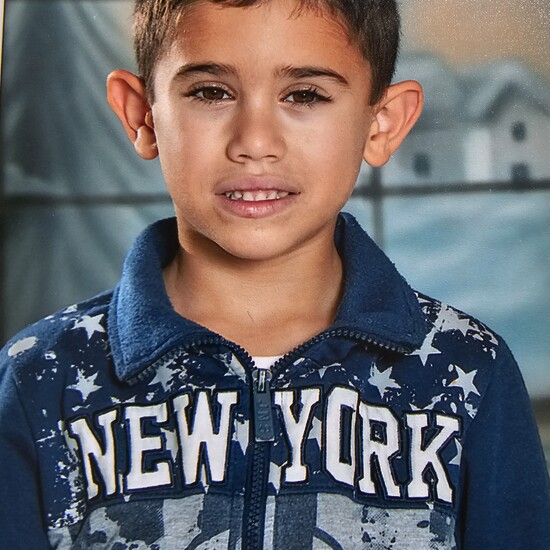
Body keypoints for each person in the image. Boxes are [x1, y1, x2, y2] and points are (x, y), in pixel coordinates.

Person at [1, 0, 549, 547]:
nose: (255, 142)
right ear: (142, 115)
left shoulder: (468, 371)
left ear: (382, 123)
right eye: (210, 92)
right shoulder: (40, 379)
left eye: (305, 95)